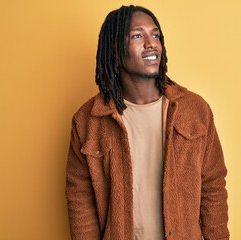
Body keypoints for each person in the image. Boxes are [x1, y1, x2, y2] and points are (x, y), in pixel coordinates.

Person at [66, 5, 229, 240]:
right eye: (137, 35)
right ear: (114, 50)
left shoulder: (194, 110)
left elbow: (212, 186)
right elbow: (80, 199)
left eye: (156, 35)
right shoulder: (89, 121)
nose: (152, 43)